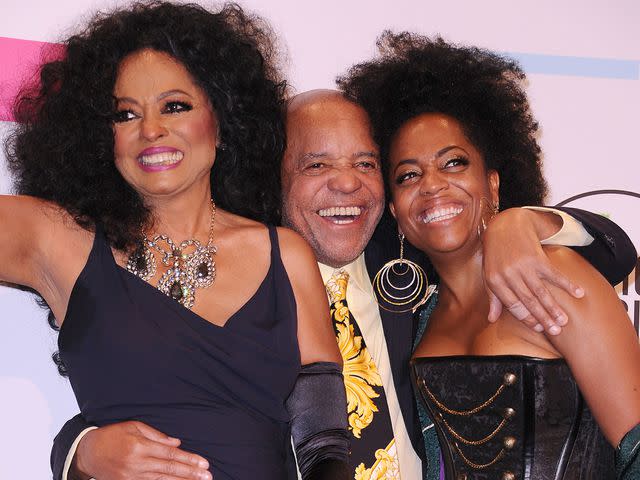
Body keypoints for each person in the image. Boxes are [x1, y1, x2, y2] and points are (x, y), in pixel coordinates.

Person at [51, 86, 637, 480]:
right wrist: (80, 449)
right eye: (317, 165)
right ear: (271, 181)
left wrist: (527, 219)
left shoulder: (417, 267)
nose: (348, 185)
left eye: (365, 164)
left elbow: (614, 250)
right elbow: (154, 378)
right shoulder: (237, 294)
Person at [2, 3, 352, 480]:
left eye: (175, 106)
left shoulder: (284, 254)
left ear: (222, 120)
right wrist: (79, 452)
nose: (151, 130)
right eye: (126, 114)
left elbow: (324, 440)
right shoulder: (61, 240)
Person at [338, 32, 640, 479]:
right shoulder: (415, 316)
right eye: (408, 175)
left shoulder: (554, 272)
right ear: (396, 212)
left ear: (494, 185)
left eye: (454, 163)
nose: (433, 184)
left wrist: (531, 220)